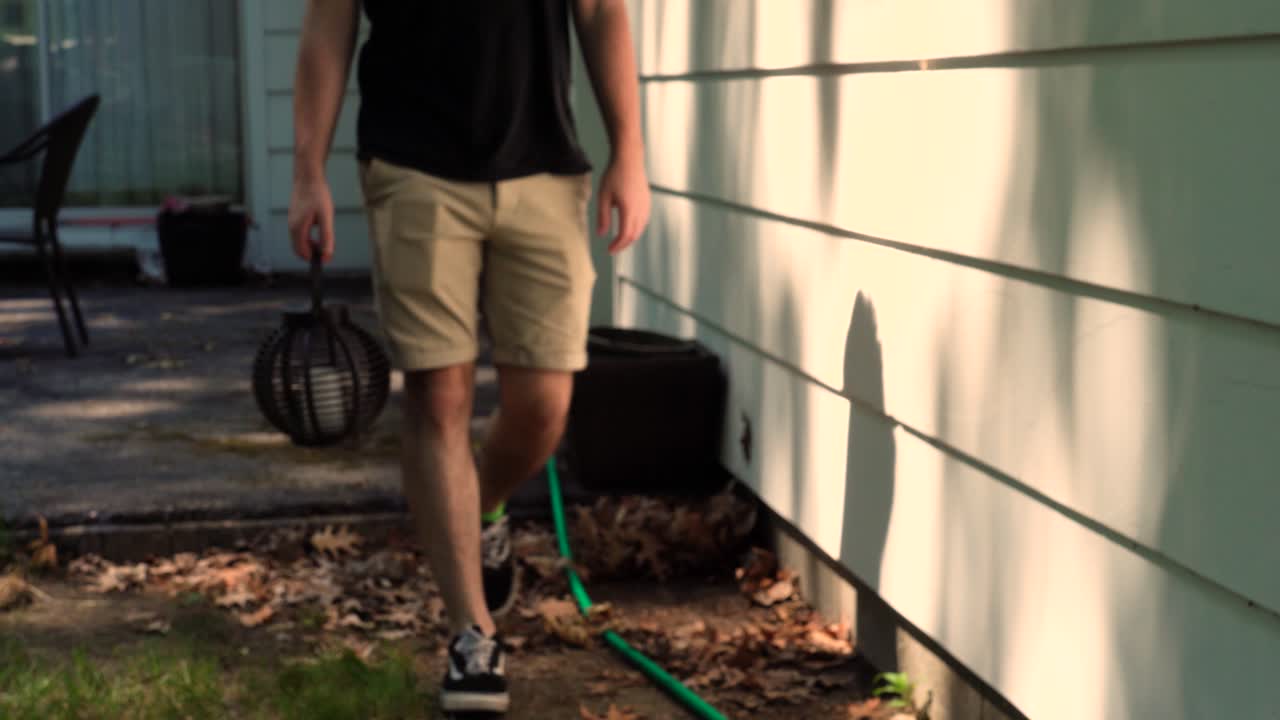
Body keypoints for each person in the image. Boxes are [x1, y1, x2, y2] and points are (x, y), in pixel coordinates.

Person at [288, 0, 649, 714]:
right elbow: (327, 28)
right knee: (439, 396)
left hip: (544, 166)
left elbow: (602, 10)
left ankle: (481, 508)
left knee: (545, 407)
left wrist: (628, 154)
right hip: (412, 164)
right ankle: (472, 636)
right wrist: (308, 172)